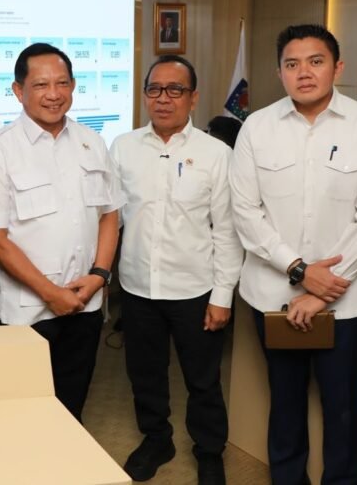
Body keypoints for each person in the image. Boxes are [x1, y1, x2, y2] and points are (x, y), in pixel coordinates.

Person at [229, 24, 357, 484]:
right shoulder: (256, 128)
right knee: (283, 405)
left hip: (348, 305)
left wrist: (324, 291)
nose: (304, 72)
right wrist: (300, 271)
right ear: (279, 72)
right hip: (273, 297)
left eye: (316, 61)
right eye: (292, 64)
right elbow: (245, 213)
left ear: (337, 67)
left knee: (341, 408)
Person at [110, 55, 242, 484]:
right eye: (154, 89)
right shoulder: (123, 148)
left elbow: (227, 231)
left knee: (203, 381)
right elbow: (112, 219)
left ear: (193, 97)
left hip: (195, 290)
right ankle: (157, 439)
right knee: (144, 376)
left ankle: (208, 450)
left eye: (175, 90)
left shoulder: (216, 154)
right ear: (145, 93)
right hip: (137, 287)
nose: (163, 99)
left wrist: (222, 297)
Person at [0, 42, 122, 422]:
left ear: (73, 86)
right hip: (26, 312)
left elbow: (109, 214)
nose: (53, 94)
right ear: (19, 91)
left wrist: (99, 277)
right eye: (40, 85)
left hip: (85, 302)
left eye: (62, 83)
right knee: (24, 412)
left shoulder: (93, 142)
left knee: (72, 404)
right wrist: (51, 294)